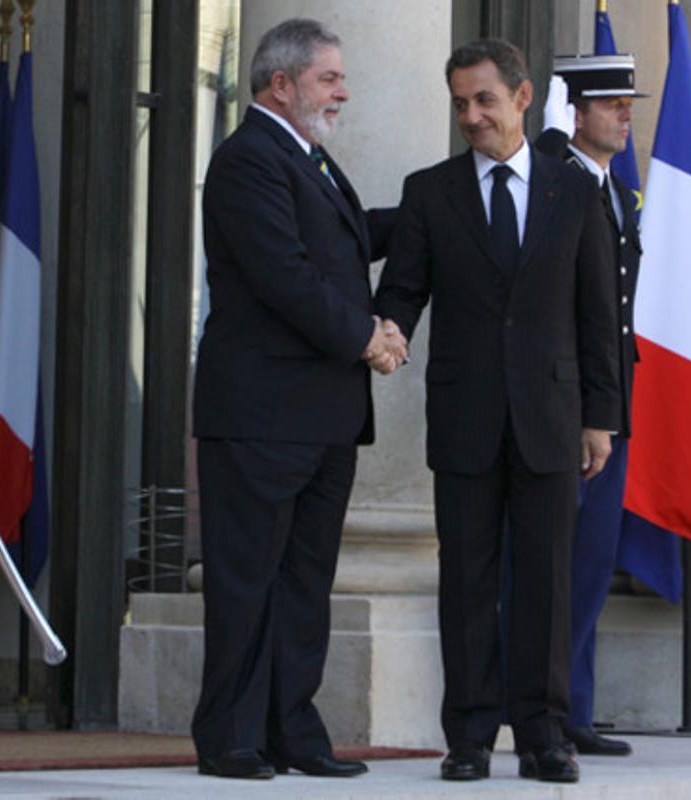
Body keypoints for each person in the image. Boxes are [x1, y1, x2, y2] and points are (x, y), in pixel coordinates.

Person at [375, 38, 620, 784]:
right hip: (466, 417)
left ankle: (544, 734)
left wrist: (600, 416)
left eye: (483, 100)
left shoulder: (573, 190)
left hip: (551, 415)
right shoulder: (430, 191)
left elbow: (597, 313)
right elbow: (405, 289)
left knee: (546, 580)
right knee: (468, 582)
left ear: (520, 99)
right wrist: (387, 331)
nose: (471, 116)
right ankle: (471, 735)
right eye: (459, 104)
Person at [191, 17, 404, 782]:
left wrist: (437, 210)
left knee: (304, 584)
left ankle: (292, 728)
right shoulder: (248, 159)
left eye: (340, 78)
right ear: (279, 84)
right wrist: (367, 339)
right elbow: (286, 277)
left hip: (321, 417)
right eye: (328, 78)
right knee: (247, 580)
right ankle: (231, 736)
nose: (342, 91)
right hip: (260, 416)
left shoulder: (306, 157)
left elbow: (343, 246)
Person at [534, 55, 646, 758]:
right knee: (561, 566)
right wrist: (589, 415)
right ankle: (551, 709)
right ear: (573, 113)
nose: (625, 115)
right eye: (610, 103)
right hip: (576, 411)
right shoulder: (559, 184)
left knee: (592, 563)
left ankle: (575, 705)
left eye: (627, 103)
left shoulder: (607, 188)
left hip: (609, 404)